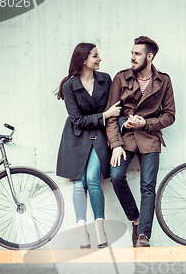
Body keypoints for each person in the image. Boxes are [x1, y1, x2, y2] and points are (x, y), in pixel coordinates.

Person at [105, 36, 175, 247]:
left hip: (150, 138)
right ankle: (136, 218)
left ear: (150, 57)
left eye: (137, 54)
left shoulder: (164, 80)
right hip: (125, 137)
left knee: (148, 186)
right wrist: (116, 144)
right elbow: (110, 116)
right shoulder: (121, 78)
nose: (132, 57)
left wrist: (146, 122)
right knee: (116, 176)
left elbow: (170, 115)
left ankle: (143, 235)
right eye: (132, 53)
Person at [56, 43, 121, 248]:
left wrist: (110, 118)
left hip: (99, 136)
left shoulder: (105, 79)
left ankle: (99, 230)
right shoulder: (69, 86)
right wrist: (104, 115)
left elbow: (114, 108)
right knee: (78, 182)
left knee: (93, 178)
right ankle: (83, 233)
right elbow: (77, 120)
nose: (99, 59)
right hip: (76, 138)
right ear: (84, 59)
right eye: (95, 56)